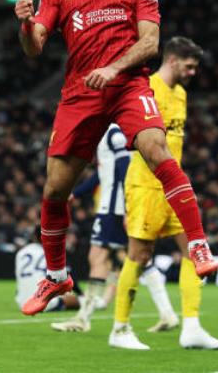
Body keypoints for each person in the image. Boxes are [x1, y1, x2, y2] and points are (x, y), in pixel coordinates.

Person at [14, 0, 217, 317]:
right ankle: (56, 276)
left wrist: (112, 69)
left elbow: (150, 43)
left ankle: (197, 243)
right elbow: (34, 48)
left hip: (126, 85)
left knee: (158, 150)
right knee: (55, 190)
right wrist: (23, 25)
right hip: (80, 94)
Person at [110, 37, 218, 350]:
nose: (193, 72)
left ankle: (192, 326)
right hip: (146, 186)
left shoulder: (180, 95)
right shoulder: (145, 89)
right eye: (189, 66)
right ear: (173, 60)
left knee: (194, 249)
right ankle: (120, 328)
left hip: (173, 188)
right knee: (139, 255)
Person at [50, 124, 178, 333]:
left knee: (100, 257)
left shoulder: (114, 131)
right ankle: (167, 314)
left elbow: (124, 168)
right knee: (139, 257)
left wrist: (128, 207)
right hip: (116, 206)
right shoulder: (111, 130)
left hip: (115, 208)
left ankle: (83, 319)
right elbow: (103, 173)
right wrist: (77, 193)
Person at [15, 227, 81, 313]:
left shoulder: (22, 252)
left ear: (35, 236)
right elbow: (67, 277)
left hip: (23, 304)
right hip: (45, 302)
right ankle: (95, 302)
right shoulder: (54, 251)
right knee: (76, 299)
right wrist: (81, 294)